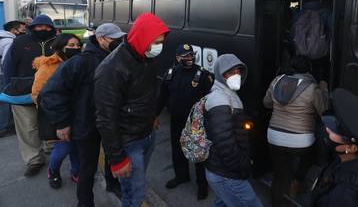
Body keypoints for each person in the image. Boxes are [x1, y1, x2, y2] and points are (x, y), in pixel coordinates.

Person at [40, 23, 126, 207]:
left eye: (120, 39)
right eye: (115, 39)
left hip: (110, 123)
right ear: (101, 38)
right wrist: (62, 122)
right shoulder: (80, 62)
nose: (119, 42)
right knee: (87, 169)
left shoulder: (117, 59)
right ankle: (85, 202)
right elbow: (50, 93)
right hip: (86, 124)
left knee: (113, 157)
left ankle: (113, 184)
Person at [95, 13, 169, 207]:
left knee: (138, 185)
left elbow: (148, 92)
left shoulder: (146, 57)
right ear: (141, 37)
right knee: (134, 195)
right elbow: (105, 118)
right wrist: (118, 159)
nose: (158, 47)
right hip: (128, 143)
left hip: (147, 135)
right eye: (155, 42)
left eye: (161, 42)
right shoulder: (112, 68)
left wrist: (152, 116)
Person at [263, 55, 328, 206]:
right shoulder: (313, 88)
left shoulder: (276, 81)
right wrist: (324, 89)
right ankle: (298, 180)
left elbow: (266, 103)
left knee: (280, 176)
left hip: (274, 137)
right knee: (311, 155)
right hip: (301, 141)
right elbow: (322, 110)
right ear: (309, 70)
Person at [204, 54, 264, 207]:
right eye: (230, 73)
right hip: (226, 174)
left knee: (222, 203)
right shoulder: (220, 100)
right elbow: (224, 143)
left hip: (221, 170)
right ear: (220, 75)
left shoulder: (229, 95)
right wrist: (242, 165)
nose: (236, 76)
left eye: (238, 72)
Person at [3, 14, 56, 177]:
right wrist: (9, 85)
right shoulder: (19, 42)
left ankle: (50, 148)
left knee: (51, 121)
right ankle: (34, 159)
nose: (43, 29)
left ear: (52, 28)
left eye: (47, 27)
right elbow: (8, 65)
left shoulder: (58, 42)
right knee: (27, 127)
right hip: (22, 92)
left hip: (51, 92)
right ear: (32, 27)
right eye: (39, 26)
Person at [157, 43, 213, 200]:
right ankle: (181, 176)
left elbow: (210, 99)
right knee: (177, 148)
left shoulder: (202, 75)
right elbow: (162, 97)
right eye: (185, 56)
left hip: (196, 122)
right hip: (177, 120)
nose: (190, 58)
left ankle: (202, 184)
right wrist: (154, 115)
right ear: (177, 58)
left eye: (191, 55)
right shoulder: (170, 74)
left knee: (198, 153)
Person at [32, 33, 81, 188]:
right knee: (63, 148)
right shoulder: (47, 67)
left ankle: (76, 171)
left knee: (77, 146)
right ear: (60, 47)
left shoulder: (79, 62)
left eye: (78, 45)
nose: (76, 48)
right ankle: (53, 171)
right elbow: (38, 95)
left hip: (78, 114)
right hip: (60, 117)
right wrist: (58, 118)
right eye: (71, 45)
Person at [0, 20, 26, 138]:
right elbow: (7, 62)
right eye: (22, 30)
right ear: (14, 30)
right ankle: (4, 127)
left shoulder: (1, 38)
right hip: (2, 75)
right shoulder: (9, 41)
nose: (24, 32)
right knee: (5, 101)